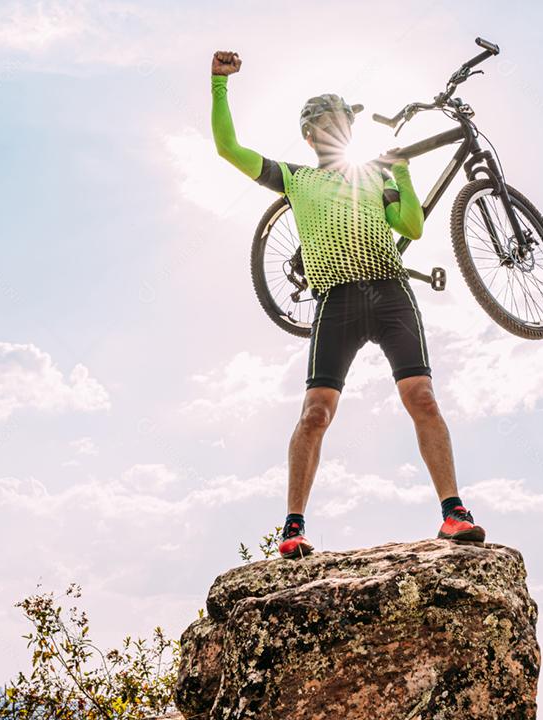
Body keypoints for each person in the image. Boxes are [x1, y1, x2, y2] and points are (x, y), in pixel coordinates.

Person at [210, 50, 485, 559]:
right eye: (325, 125)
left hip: (389, 291)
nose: (334, 130)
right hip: (335, 301)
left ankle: (453, 513)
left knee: (422, 397)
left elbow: (411, 227)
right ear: (310, 136)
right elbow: (227, 147)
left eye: (342, 123)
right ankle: (292, 528)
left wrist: (401, 175)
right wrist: (219, 84)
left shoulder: (374, 176)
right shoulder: (296, 179)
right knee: (315, 412)